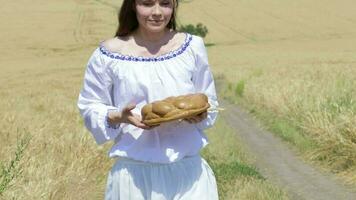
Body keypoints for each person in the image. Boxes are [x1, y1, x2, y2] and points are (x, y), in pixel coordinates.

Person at [77, 0, 219, 199]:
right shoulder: (108, 54)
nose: (157, 12)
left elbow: (208, 98)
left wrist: (200, 114)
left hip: (189, 177)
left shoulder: (192, 47)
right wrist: (118, 116)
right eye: (147, 3)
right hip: (134, 178)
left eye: (165, 3)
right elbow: (90, 106)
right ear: (133, 5)